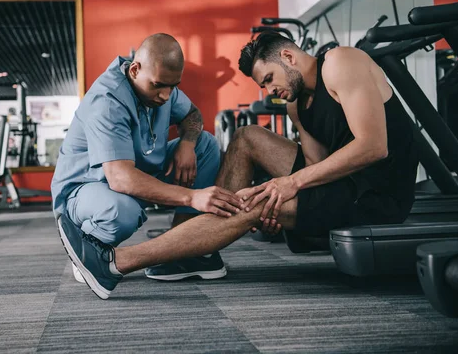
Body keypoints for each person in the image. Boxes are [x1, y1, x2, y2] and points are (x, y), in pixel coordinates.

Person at [57, 30, 420, 299]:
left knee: (252, 201)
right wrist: (291, 205)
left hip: (377, 193)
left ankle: (114, 263)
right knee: (246, 138)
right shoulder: (296, 102)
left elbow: (374, 147)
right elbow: (316, 165)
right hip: (343, 185)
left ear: (289, 57)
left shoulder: (341, 62)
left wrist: (286, 189)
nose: (269, 91)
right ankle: (200, 248)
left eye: (268, 80)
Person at [51, 33, 243, 290]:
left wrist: (186, 144)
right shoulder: (107, 101)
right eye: (158, 86)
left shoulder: (161, 87)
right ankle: (90, 249)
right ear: (134, 69)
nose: (165, 95)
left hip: (133, 173)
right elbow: (120, 178)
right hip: (87, 189)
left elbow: (192, 115)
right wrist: (191, 196)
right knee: (122, 211)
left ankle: (183, 251)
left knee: (205, 145)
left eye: (172, 86)